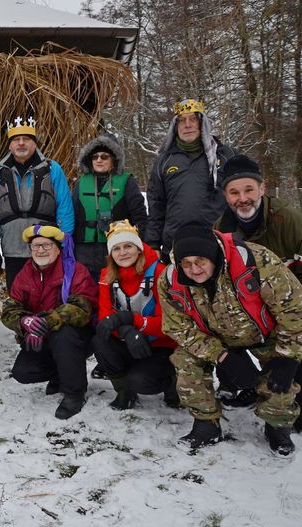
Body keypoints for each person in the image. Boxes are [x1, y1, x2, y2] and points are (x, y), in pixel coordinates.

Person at [157, 223, 302, 455]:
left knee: (282, 374)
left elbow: (294, 309)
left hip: (265, 335)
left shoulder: (258, 261)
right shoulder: (169, 281)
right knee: (185, 360)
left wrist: (289, 357)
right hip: (214, 338)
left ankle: (277, 425)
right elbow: (177, 327)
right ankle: (206, 424)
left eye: (200, 261)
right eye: (187, 263)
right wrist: (221, 355)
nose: (194, 269)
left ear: (212, 255)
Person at [214, 154, 302, 427]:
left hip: (292, 308)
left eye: (249, 189)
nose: (243, 198)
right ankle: (241, 382)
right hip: (250, 311)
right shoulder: (221, 229)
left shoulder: (288, 220)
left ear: (262, 188)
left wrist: (290, 356)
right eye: (234, 192)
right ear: (226, 196)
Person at [0, 224, 97, 419]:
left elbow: (83, 308)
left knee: (64, 335)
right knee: (23, 372)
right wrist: (24, 322)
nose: (41, 250)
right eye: (36, 246)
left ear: (58, 248)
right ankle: (59, 375)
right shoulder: (25, 274)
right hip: (41, 338)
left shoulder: (75, 271)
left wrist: (46, 321)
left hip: (75, 338)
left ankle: (75, 393)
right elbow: (9, 310)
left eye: (46, 245)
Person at [93, 220, 178, 410]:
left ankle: (173, 381)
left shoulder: (159, 272)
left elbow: (169, 323)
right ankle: (124, 391)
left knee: (141, 381)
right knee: (100, 341)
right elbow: (105, 319)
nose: (123, 252)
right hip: (130, 340)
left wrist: (133, 322)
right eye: (116, 249)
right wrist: (127, 332)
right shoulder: (107, 275)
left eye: (128, 246)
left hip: (160, 344)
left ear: (138, 249)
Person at [0, 117, 74, 289]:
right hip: (13, 249)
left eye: (26, 139)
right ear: (10, 146)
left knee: (48, 297)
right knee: (17, 297)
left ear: (34, 143)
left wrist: (64, 242)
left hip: (46, 248)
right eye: (16, 139)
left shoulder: (52, 170)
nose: (21, 143)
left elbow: (65, 208)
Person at [145, 99, 237, 261]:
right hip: (176, 244)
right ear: (175, 126)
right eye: (182, 120)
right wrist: (152, 244)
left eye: (193, 119)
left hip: (218, 241)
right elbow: (156, 205)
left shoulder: (225, 155)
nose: (187, 125)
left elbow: (240, 197)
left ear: (202, 124)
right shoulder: (164, 161)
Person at [72, 134, 147, 279]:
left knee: (113, 286)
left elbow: (140, 216)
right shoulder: (80, 183)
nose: (99, 160)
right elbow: (72, 214)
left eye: (104, 156)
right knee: (85, 287)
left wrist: (142, 244)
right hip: (83, 249)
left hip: (117, 248)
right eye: (95, 157)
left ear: (114, 159)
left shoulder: (127, 181)